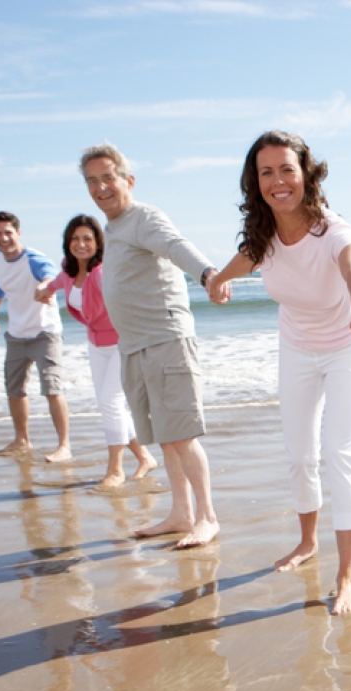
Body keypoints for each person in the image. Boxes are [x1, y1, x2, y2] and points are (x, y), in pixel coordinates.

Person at [207, 131, 351, 614]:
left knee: (340, 453)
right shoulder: (265, 234)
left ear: (306, 174)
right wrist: (219, 278)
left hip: (346, 347)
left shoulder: (336, 231)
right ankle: (307, 541)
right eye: (266, 172)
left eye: (287, 169)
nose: (278, 181)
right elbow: (251, 256)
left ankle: (347, 575)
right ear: (255, 182)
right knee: (300, 454)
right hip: (296, 349)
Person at [80, 142, 223, 548]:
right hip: (135, 346)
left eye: (108, 177)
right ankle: (181, 513)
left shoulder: (143, 216)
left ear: (128, 180)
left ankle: (207, 516)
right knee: (163, 433)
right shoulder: (114, 226)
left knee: (181, 434)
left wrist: (208, 274)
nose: (101, 187)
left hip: (165, 340)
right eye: (92, 181)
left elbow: (176, 246)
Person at [34, 214, 157, 488]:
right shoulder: (68, 272)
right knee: (109, 405)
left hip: (121, 344)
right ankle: (145, 457)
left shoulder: (102, 273)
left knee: (109, 403)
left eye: (87, 238)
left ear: (97, 242)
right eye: (75, 238)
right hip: (95, 345)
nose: (81, 244)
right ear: (67, 243)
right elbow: (54, 285)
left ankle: (115, 470)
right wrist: (43, 289)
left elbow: (125, 296)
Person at [0, 211, 71, 461]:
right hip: (16, 334)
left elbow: (51, 275)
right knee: (14, 389)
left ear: (18, 233)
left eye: (8, 232)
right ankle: (22, 440)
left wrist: (44, 286)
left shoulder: (34, 259)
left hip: (45, 332)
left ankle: (64, 446)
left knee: (52, 388)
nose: (4, 238)